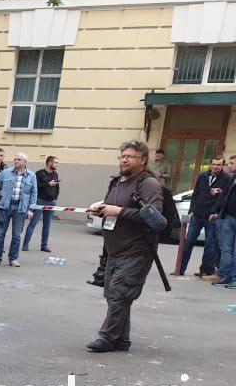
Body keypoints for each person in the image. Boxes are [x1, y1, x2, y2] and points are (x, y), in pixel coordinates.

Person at [85, 141, 168, 352]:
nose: (124, 160)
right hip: (114, 249)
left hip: (137, 250)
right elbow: (112, 209)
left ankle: (107, 337)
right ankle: (121, 339)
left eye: (129, 157)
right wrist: (101, 210)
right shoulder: (117, 182)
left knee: (119, 294)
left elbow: (154, 217)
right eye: (122, 156)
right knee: (115, 294)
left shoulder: (148, 184)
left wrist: (118, 211)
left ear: (143, 160)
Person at [181, 157, 228, 278]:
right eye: (213, 164)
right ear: (210, 165)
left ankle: (206, 270)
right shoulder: (203, 176)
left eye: (218, 165)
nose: (215, 167)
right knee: (189, 241)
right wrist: (192, 209)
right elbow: (196, 193)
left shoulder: (226, 178)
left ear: (222, 166)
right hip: (198, 214)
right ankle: (180, 268)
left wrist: (218, 212)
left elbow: (225, 197)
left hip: (212, 216)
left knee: (210, 244)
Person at [0, 153, 37, 266]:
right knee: (0, 233)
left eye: (19, 159)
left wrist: (31, 209)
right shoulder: (6, 172)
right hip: (5, 206)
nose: (16, 161)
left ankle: (13, 258)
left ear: (25, 162)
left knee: (16, 235)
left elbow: (34, 193)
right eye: (15, 159)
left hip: (20, 208)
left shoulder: (31, 175)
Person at [25, 155, 60, 252]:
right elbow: (36, 186)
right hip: (40, 201)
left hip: (51, 202)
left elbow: (57, 187)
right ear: (50, 163)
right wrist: (48, 184)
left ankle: (44, 245)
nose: (57, 165)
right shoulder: (39, 173)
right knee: (33, 223)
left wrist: (55, 198)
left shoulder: (55, 174)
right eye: (56, 163)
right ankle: (25, 244)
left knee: (47, 225)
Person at [212, 155, 236, 287]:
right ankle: (226, 275)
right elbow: (225, 195)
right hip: (228, 217)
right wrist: (218, 212)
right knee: (226, 249)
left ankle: (234, 278)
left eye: (232, 163)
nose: (229, 165)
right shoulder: (232, 178)